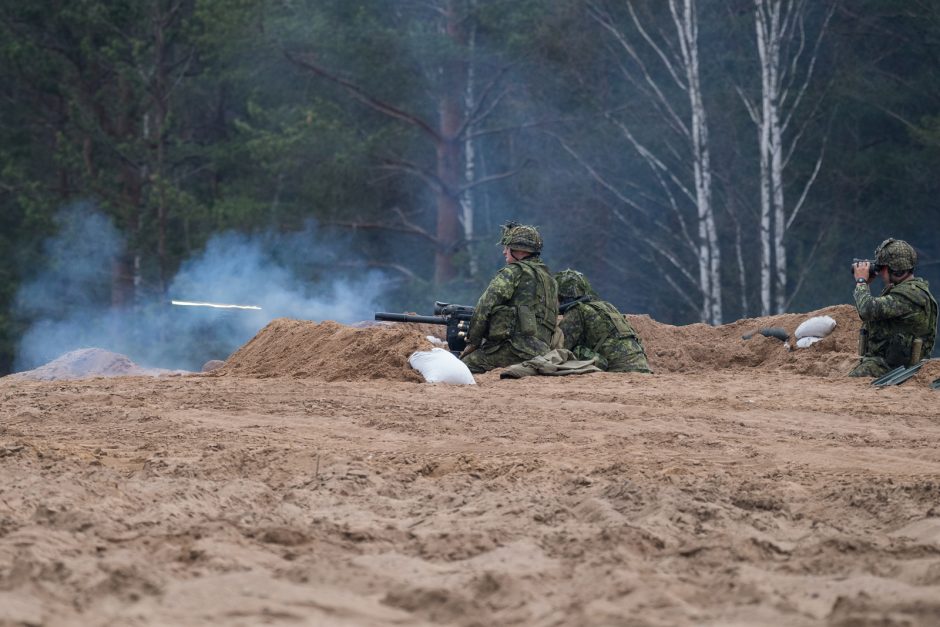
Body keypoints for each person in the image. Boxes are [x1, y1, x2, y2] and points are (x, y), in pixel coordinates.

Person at [460, 223, 558, 373]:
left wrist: (473, 342)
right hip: (542, 353)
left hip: (515, 349)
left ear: (520, 250)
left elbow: (485, 305)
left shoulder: (514, 272)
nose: (504, 252)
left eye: (507, 247)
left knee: (463, 366)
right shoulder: (550, 280)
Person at [849, 238, 938, 377]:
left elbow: (867, 310)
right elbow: (879, 312)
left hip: (893, 369)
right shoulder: (908, 291)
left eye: (881, 268)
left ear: (895, 270)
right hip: (893, 364)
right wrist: (867, 284)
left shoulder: (910, 295)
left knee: (852, 382)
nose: (879, 272)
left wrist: (861, 282)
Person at [554, 268, 652, 373]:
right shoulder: (607, 306)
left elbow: (560, 347)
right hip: (642, 365)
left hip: (619, 369)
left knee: (576, 351)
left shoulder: (576, 311)